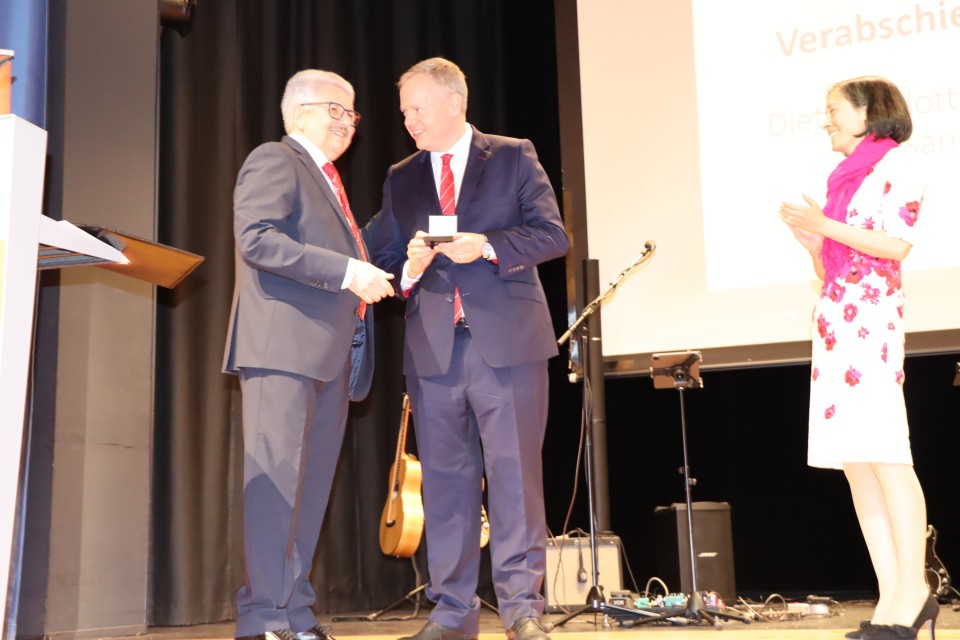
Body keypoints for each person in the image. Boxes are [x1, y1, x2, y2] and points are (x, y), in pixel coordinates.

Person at [373, 57, 569, 640]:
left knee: (514, 478)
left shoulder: (511, 155)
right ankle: (452, 613)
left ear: (454, 101)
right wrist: (406, 267)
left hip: (507, 344)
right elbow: (382, 256)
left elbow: (553, 234)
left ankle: (522, 610)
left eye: (418, 109)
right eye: (404, 112)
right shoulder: (400, 175)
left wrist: (486, 246)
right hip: (433, 350)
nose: (409, 121)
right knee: (446, 485)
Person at [223, 68, 395, 640]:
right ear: (298, 112)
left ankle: (294, 612)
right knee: (275, 487)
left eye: (353, 115)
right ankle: (263, 617)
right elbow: (258, 239)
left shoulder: (330, 183)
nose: (347, 124)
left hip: (328, 357)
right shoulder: (276, 159)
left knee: (309, 492)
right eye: (335, 111)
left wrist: (384, 267)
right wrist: (348, 269)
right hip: (282, 349)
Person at [780, 76, 936, 640]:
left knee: (887, 452)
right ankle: (890, 593)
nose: (825, 120)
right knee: (855, 460)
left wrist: (827, 226)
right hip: (834, 323)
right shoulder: (845, 178)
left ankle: (914, 591)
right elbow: (833, 268)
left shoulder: (901, 164)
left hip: (871, 324)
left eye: (833, 110)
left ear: (869, 114)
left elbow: (895, 245)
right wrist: (817, 245)